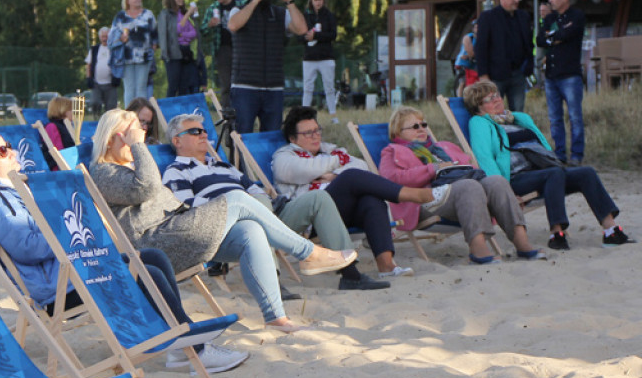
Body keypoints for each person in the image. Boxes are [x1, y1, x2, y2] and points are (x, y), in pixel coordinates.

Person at [0, 129, 249, 373]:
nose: (11, 152)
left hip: (74, 270)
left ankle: (180, 347)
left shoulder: (13, 189)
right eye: (1, 151)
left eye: (8, 146)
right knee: (145, 272)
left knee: (152, 256)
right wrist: (66, 227)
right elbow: (26, 248)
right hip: (59, 288)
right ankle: (194, 348)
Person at [89, 109, 357, 334]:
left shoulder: (130, 168)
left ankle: (276, 317)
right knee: (237, 200)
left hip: (178, 231)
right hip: (156, 244)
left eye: (139, 134)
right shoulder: (102, 172)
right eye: (130, 135)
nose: (138, 140)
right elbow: (146, 188)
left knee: (250, 230)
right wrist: (138, 146)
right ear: (110, 139)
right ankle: (309, 253)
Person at [162, 113, 388, 290]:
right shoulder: (176, 171)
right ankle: (273, 281)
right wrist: (235, 203)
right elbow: (187, 208)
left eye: (203, 130)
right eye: (195, 131)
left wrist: (256, 201)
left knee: (318, 198)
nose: (203, 134)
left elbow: (253, 188)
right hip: (230, 227)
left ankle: (350, 275)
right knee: (253, 207)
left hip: (264, 213)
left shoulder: (223, 166)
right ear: (177, 141)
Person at [271, 106, 451, 278]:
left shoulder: (329, 150)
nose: (315, 136)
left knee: (371, 200)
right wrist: (338, 163)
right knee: (350, 176)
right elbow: (302, 170)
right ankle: (416, 195)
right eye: (308, 133)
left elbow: (362, 166)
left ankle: (387, 266)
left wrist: (334, 175)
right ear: (293, 139)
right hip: (312, 220)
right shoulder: (284, 156)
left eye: (317, 130)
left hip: (340, 212)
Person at [464, 81, 635, 250]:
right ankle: (556, 234)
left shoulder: (517, 119)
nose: (497, 99)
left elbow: (543, 147)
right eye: (489, 99)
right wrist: (504, 190)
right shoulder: (479, 123)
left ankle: (611, 231)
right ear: (478, 107)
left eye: (496, 95)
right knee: (554, 173)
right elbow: (485, 158)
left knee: (586, 173)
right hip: (516, 179)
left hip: (545, 172)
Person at [380, 106, 544, 264]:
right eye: (415, 126)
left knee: (497, 182)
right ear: (397, 132)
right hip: (426, 201)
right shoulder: (393, 151)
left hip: (462, 192)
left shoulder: (442, 147)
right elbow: (392, 180)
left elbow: (469, 169)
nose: (421, 129)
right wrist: (433, 169)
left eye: (423, 124)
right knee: (469, 186)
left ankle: (522, 243)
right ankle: (478, 250)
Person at [227, 0, 308, 133]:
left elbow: (301, 29)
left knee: (272, 137)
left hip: (274, 87)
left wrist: (289, 1)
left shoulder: (280, 13)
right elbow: (233, 25)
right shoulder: (239, 10)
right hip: (245, 86)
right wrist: (256, 0)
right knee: (242, 135)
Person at [539, 0, 586, 166]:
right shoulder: (550, 18)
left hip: (569, 75)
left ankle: (576, 154)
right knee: (554, 118)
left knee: (575, 116)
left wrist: (553, 36)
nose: (550, 0)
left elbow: (568, 34)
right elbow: (540, 39)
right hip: (551, 75)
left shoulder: (577, 16)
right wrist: (555, 37)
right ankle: (559, 154)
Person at [474, 0, 533, 112]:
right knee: (493, 111)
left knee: (518, 112)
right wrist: (483, 75)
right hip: (495, 75)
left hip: (518, 74)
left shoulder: (523, 17)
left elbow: (529, 43)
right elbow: (481, 47)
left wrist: (528, 66)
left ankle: (515, 127)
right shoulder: (488, 17)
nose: (516, 1)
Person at [201, 0, 248, 108]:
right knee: (226, 84)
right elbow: (203, 30)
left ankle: (243, 110)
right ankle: (227, 113)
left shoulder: (242, 3)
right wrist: (209, 25)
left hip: (242, 48)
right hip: (222, 49)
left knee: (242, 82)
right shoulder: (213, 8)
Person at [108, 0, 158, 107]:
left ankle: (141, 114)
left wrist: (154, 47)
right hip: (126, 57)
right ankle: (129, 114)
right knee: (129, 88)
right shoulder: (120, 16)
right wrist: (121, 38)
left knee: (141, 87)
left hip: (144, 56)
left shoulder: (148, 14)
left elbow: (155, 34)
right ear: (127, 0)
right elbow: (112, 37)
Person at [302, 0, 339, 124]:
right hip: (309, 58)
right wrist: (306, 37)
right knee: (307, 88)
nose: (318, 2)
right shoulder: (305, 16)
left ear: (323, 1)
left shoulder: (329, 16)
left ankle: (333, 116)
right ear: (311, 1)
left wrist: (316, 36)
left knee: (329, 87)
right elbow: (300, 35)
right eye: (315, 0)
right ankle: (304, 115)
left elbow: (333, 35)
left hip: (326, 58)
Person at [157, 0, 201, 98]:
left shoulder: (183, 13)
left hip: (186, 52)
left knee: (184, 86)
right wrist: (188, 14)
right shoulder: (166, 14)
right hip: (173, 53)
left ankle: (182, 108)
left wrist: (183, 35)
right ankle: (168, 107)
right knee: (173, 85)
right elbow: (174, 31)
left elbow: (194, 33)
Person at [85, 27, 118, 113]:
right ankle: (97, 119)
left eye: (106, 36)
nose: (104, 39)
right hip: (97, 84)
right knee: (95, 103)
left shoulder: (115, 49)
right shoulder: (94, 49)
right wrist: (88, 78)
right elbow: (88, 65)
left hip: (111, 84)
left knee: (111, 108)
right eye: (103, 36)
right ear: (100, 37)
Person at [454, 20, 478, 98]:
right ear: (473, 29)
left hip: (473, 64)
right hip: (463, 63)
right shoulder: (468, 37)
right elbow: (470, 52)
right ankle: (459, 98)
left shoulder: (482, 38)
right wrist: (469, 56)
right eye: (476, 27)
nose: (478, 29)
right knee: (463, 82)